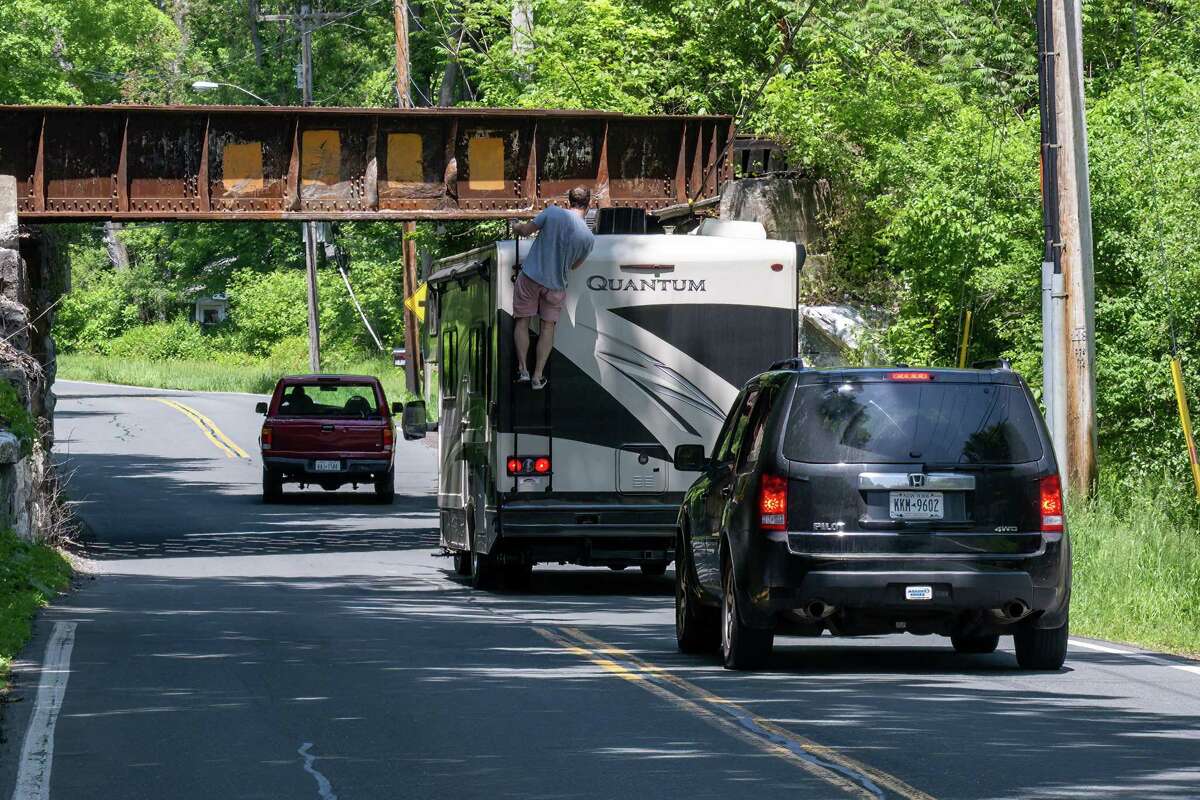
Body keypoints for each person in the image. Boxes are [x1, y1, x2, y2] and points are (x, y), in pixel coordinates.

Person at [510, 186, 595, 390]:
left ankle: (523, 370)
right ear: (589, 204)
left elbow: (526, 230)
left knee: (522, 321)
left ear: (568, 201)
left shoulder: (552, 212)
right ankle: (538, 376)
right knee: (547, 327)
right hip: (556, 285)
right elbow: (574, 266)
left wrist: (515, 226)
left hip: (531, 276)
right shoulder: (588, 238)